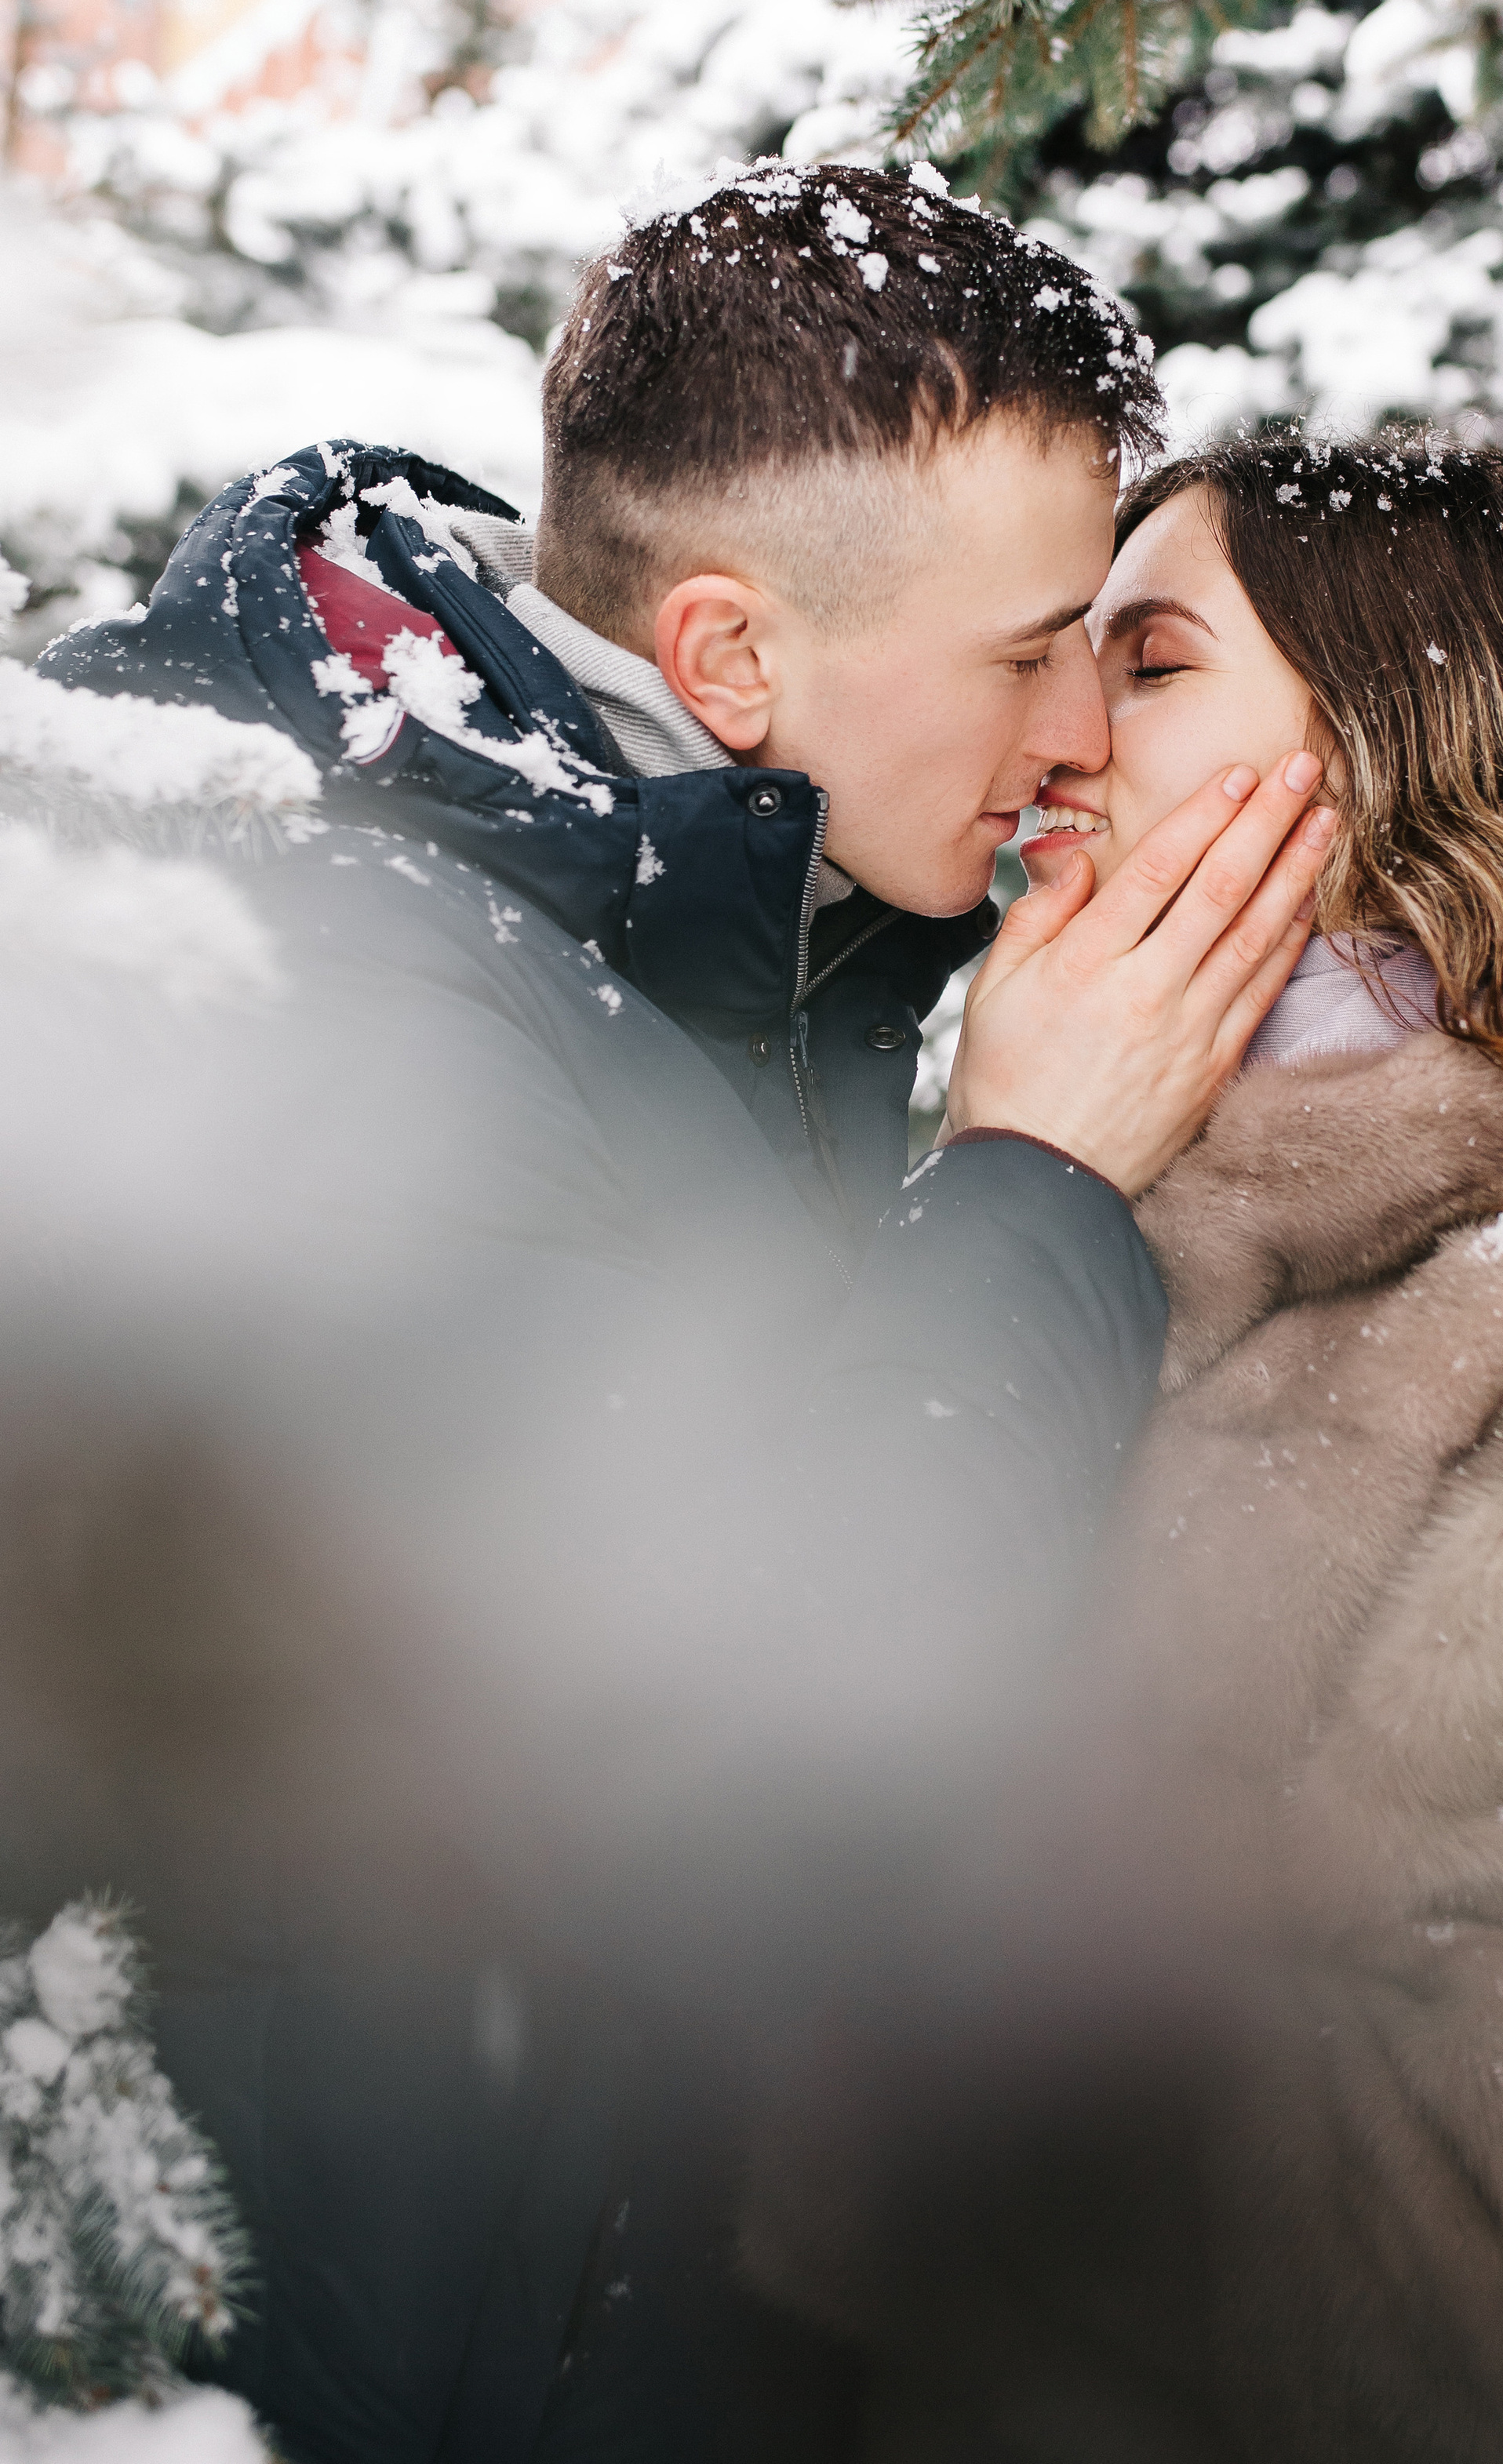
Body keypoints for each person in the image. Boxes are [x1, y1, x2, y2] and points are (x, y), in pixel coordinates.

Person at [27, 168, 1334, 2464]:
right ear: (729, 656)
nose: (1075, 733)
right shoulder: (334, 988)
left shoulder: (681, 891)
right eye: (1031, 650)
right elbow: (697, 1741)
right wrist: (1038, 1182)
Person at [745, 429, 1503, 2462]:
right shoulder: (1072, 1201)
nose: (1066, 733)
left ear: (1391, 739)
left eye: (1154, 661)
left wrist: (823, 2067)